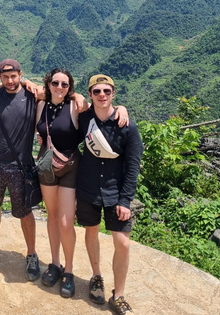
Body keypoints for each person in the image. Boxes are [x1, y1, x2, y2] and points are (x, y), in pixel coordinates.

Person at [0, 59, 87, 281]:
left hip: (22, 164)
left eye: (14, 76)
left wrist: (78, 96)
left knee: (25, 211)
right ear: (0, 77)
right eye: (5, 77)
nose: (10, 80)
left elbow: (60, 93)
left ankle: (32, 253)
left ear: (20, 74)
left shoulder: (34, 95)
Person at [36, 69, 129, 298]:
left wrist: (122, 109)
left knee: (66, 222)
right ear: (48, 84)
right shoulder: (39, 105)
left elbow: (102, 112)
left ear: (71, 87)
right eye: (55, 82)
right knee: (52, 216)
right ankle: (55, 263)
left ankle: (68, 269)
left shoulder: (77, 107)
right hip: (46, 165)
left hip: (70, 166)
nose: (59, 87)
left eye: (65, 84)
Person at [76, 74, 143, 314]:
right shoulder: (84, 120)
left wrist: (126, 200)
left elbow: (133, 165)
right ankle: (96, 276)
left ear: (113, 93)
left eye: (106, 91)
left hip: (116, 194)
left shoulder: (127, 125)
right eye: (97, 91)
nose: (102, 95)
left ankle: (119, 294)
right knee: (91, 231)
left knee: (122, 243)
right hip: (87, 188)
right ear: (91, 94)